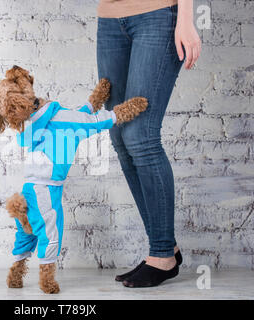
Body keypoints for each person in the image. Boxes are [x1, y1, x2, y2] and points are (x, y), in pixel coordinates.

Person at [96, 0, 201, 287]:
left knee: (141, 135)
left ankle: (162, 256)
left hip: (158, 14)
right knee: (118, 132)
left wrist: (186, 18)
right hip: (110, 18)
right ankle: (166, 247)